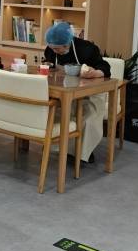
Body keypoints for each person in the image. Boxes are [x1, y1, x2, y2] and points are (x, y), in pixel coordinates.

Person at [44, 22, 111, 163]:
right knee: (58, 113)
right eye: (52, 48)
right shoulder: (50, 50)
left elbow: (105, 67)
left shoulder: (87, 49)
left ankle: (82, 153)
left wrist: (95, 73)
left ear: (67, 44)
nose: (54, 51)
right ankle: (61, 148)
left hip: (90, 92)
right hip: (66, 91)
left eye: (57, 49)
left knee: (88, 116)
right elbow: (50, 65)